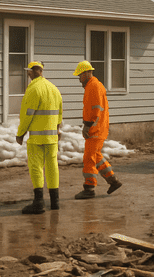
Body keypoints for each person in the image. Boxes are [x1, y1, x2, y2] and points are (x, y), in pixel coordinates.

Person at [16, 61, 64, 214]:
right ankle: (55, 202)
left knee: (36, 167)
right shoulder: (54, 89)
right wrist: (57, 130)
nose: (28, 74)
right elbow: (60, 113)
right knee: (52, 166)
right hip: (52, 137)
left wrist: (20, 133)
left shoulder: (33, 89)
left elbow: (27, 115)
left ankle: (38, 203)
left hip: (37, 138)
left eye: (28, 72)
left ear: (32, 72)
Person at [72, 60, 122, 199]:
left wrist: (88, 125)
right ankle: (113, 181)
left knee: (89, 158)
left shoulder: (93, 86)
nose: (79, 79)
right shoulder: (93, 85)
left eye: (80, 75)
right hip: (98, 128)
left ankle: (89, 188)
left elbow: (96, 109)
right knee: (96, 156)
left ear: (87, 73)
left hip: (95, 129)